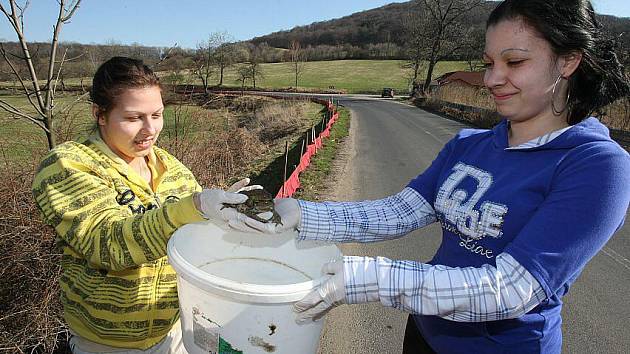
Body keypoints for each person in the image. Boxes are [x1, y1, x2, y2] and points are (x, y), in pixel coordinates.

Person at [234, 0, 630, 353]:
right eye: (489, 63)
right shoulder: (469, 145)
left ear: (568, 61)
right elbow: (399, 212)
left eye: (514, 62)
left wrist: (371, 277)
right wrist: (302, 215)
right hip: (425, 330)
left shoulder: (596, 165)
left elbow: (511, 289)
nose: (492, 79)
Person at [32, 57, 257, 353]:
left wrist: (221, 222)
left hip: (176, 331)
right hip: (108, 343)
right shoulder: (67, 165)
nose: (149, 130)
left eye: (157, 114)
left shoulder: (170, 167)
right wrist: (196, 206)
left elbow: (191, 241)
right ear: (100, 114)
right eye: (134, 118)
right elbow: (108, 244)